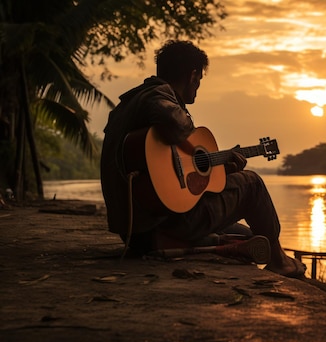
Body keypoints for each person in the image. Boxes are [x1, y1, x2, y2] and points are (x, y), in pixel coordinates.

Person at [100, 40, 305, 277]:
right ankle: (279, 262)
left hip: (135, 232)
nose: (197, 88)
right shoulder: (157, 96)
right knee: (252, 184)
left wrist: (220, 169)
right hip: (162, 223)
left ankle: (257, 251)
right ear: (192, 75)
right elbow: (176, 125)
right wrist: (191, 129)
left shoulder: (126, 106)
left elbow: (169, 178)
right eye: (199, 81)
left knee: (250, 236)